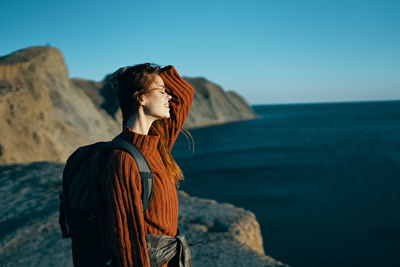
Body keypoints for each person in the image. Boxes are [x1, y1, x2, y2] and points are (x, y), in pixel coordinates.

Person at [100, 63, 194, 267]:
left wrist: (155, 74)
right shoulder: (123, 160)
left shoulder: (158, 143)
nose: (168, 96)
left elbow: (184, 95)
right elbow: (127, 241)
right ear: (141, 98)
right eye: (162, 91)